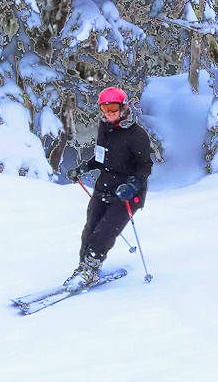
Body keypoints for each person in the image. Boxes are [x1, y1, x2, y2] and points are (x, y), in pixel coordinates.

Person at [64, 87, 153, 291]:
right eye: (105, 107)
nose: (109, 112)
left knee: (103, 232)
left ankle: (90, 268)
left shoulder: (137, 135)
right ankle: (85, 267)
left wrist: (132, 186)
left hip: (128, 194)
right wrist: (83, 168)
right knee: (89, 230)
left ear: (124, 107)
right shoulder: (105, 128)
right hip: (104, 186)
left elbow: (145, 167)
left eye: (113, 107)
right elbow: (101, 156)